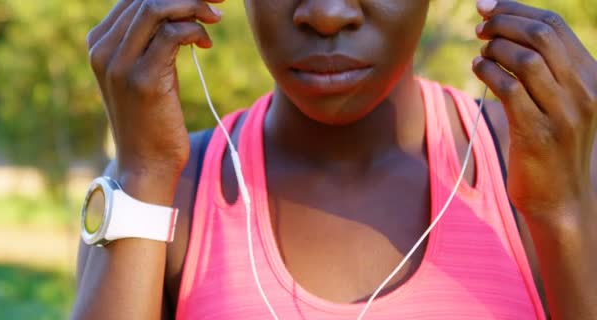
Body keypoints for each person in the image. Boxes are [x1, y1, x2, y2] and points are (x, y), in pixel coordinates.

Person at [71, 0, 597, 319]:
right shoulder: (169, 189)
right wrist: (142, 174)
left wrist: (564, 212)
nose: (326, 14)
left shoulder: (540, 166)